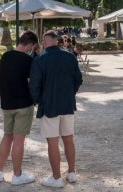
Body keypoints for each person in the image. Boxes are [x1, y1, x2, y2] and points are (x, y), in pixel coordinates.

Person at [30, 30, 83, 188]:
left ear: (45, 42)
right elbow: (78, 79)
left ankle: (56, 177)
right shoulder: (70, 56)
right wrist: (69, 93)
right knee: (68, 138)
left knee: (52, 141)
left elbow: (34, 85)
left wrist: (38, 100)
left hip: (49, 105)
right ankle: (72, 172)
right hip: (67, 103)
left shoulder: (40, 59)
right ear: (57, 40)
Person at [0, 31, 39, 185]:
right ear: (30, 44)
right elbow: (31, 82)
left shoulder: (5, 56)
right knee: (19, 140)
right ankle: (17, 175)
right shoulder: (28, 60)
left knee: (7, 135)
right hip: (23, 104)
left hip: (7, 103)